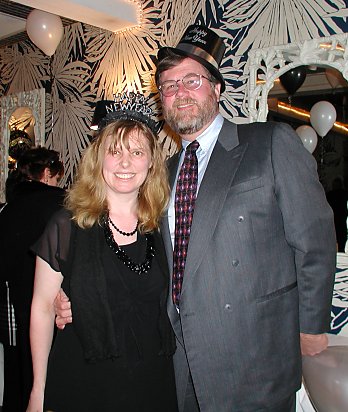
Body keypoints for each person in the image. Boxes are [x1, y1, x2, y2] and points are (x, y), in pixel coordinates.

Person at [55, 26, 337, 411]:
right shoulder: (158, 174)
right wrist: (76, 292)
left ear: (217, 89)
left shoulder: (269, 143)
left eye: (192, 80)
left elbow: (315, 239)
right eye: (169, 86)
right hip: (179, 361)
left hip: (255, 358)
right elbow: (125, 248)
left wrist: (312, 326)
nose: (180, 92)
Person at [26, 96, 178, 412]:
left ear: (151, 162)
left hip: (152, 383)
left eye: (137, 152)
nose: (125, 163)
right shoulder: (65, 225)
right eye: (115, 151)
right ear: (99, 159)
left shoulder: (163, 225)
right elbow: (41, 308)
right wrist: (38, 392)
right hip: (86, 385)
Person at [0, 147, 64, 412]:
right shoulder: (60, 204)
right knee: (47, 385)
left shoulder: (6, 208)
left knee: (15, 382)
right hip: (51, 308)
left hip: (10, 309)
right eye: (57, 177)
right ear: (47, 173)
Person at [326, 177, 348, 252]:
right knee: (341, 237)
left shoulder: (331, 195)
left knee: (336, 237)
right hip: (341, 219)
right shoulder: (344, 194)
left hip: (335, 219)